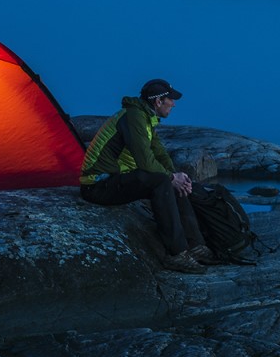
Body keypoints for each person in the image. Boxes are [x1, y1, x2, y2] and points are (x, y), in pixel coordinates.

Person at [78, 78, 212, 269]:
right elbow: (145, 161)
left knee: (172, 181)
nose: (173, 104)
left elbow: (160, 153)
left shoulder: (145, 118)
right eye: (170, 100)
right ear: (158, 101)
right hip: (97, 185)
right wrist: (171, 178)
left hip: (115, 180)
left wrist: (177, 176)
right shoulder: (133, 117)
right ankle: (176, 254)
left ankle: (195, 245)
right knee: (161, 182)